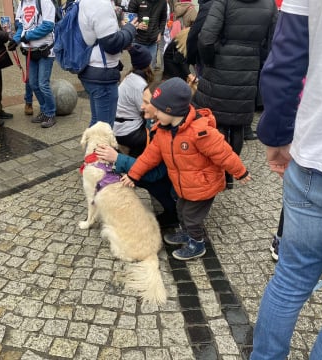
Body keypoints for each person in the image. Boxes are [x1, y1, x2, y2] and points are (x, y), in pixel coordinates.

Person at [250, 1, 322, 358]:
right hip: (316, 154)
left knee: (290, 280)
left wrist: (276, 137)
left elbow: (286, 57)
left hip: (316, 151)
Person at [122, 77, 251, 260]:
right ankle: (187, 233)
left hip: (203, 185)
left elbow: (224, 154)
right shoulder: (163, 130)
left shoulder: (200, 132)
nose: (155, 114)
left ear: (171, 110)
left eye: (158, 109)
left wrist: (240, 172)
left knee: (191, 217)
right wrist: (133, 175)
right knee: (181, 209)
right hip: (184, 185)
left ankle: (197, 244)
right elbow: (149, 156)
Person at [191, 0, 277, 189]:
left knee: (217, 121)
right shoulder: (269, 5)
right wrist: (257, 59)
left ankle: (219, 172)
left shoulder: (224, 1)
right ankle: (230, 174)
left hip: (220, 64)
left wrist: (209, 61)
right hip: (248, 67)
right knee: (237, 124)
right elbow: (272, 42)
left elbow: (206, 37)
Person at [96, 83, 178, 228]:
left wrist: (118, 158)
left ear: (162, 107)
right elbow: (149, 157)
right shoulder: (154, 121)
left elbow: (155, 173)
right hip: (169, 177)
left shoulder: (171, 134)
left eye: (146, 102)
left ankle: (175, 211)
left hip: (184, 189)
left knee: (142, 176)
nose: (141, 106)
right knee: (132, 172)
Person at [78, 0, 137, 127]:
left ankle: (91, 147)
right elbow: (112, 43)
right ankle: (96, 147)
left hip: (91, 67)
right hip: (102, 73)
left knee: (97, 123)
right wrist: (130, 29)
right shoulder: (101, 4)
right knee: (104, 128)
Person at [10, 0, 57, 128]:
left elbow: (48, 25)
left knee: (43, 84)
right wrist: (16, 40)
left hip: (45, 50)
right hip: (31, 51)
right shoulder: (22, 3)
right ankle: (44, 110)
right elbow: (21, 26)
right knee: (33, 83)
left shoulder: (45, 2)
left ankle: (51, 113)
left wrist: (28, 36)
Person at [113, 44, 154, 157]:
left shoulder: (129, 77)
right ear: (147, 64)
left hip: (118, 126)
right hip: (127, 131)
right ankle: (135, 162)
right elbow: (145, 112)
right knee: (156, 136)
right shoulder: (139, 84)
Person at [127, 0, 167, 69]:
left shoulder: (162, 2)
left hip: (153, 41)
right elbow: (129, 17)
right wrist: (137, 25)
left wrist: (160, 32)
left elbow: (163, 19)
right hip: (137, 40)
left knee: (150, 68)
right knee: (138, 69)